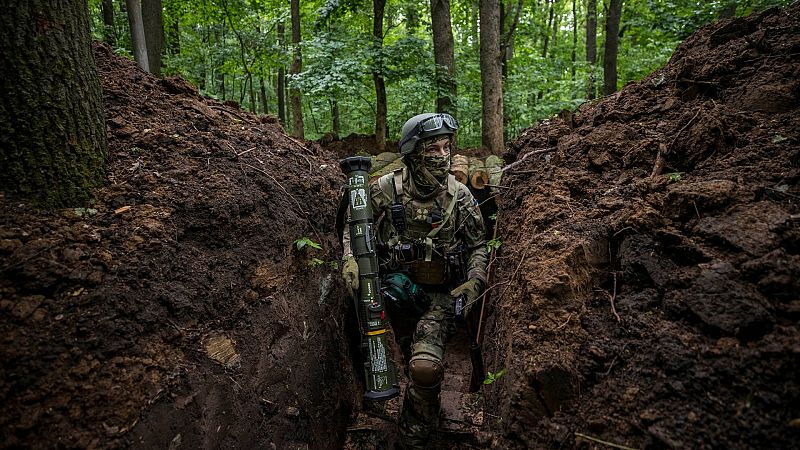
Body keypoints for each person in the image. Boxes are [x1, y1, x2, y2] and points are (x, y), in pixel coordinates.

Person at [340, 113, 488, 449]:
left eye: (446, 146)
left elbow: (479, 245)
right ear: (413, 152)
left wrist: (475, 281)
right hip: (392, 294)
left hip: (439, 299)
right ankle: (419, 402)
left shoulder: (460, 196)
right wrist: (349, 258)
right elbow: (354, 222)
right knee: (402, 356)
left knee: (423, 369)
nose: (442, 155)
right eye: (432, 148)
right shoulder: (386, 188)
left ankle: (412, 437)